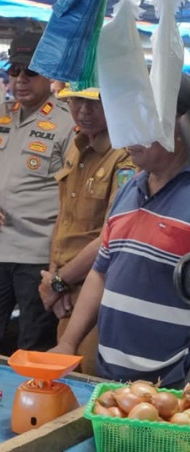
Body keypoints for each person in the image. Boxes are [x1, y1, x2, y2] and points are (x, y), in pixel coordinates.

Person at [53, 84, 190, 386]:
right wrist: (69, 342)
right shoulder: (131, 188)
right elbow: (101, 272)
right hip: (113, 379)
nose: (127, 132)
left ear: (179, 125)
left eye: (141, 119)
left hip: (173, 386)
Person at [0, 32, 76, 354]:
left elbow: (71, 194)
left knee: (34, 344)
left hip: (38, 259)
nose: (20, 80)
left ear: (48, 74)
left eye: (30, 72)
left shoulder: (67, 122)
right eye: (14, 71)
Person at [37, 86, 134, 375]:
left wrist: (58, 281)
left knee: (88, 379)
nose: (83, 110)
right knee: (66, 376)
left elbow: (111, 235)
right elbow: (64, 216)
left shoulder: (124, 156)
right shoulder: (77, 145)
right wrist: (54, 278)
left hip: (97, 287)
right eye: (76, 100)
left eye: (94, 102)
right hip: (65, 288)